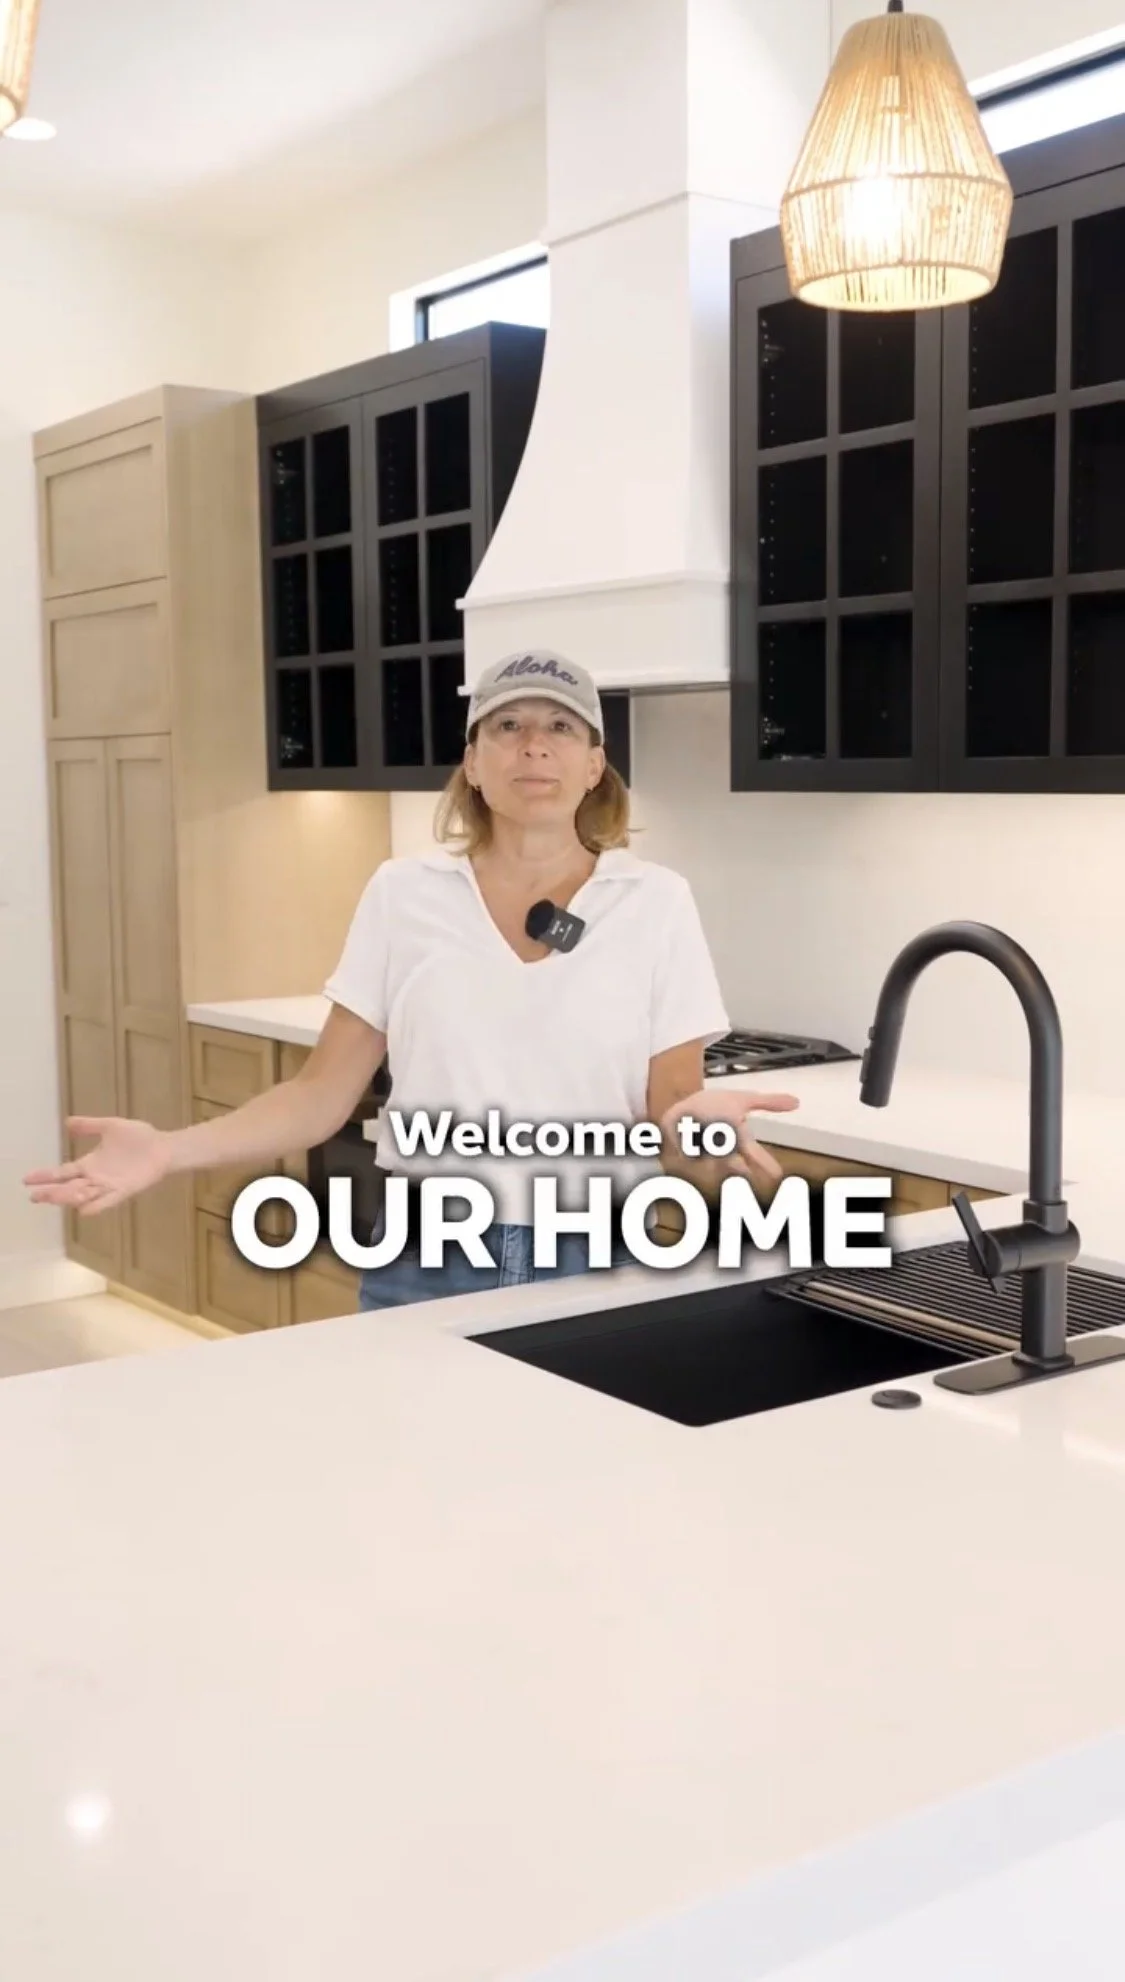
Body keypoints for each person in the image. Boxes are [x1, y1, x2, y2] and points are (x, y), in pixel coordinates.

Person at [24, 651, 799, 1309]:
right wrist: (169, 1149)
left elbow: (671, 1109)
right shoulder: (404, 893)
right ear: (472, 761)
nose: (534, 745)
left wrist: (700, 1131)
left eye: (561, 727)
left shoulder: (653, 902)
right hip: (425, 1254)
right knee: (418, 1477)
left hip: (594, 1248)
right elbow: (319, 1094)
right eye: (507, 726)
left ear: (594, 765)